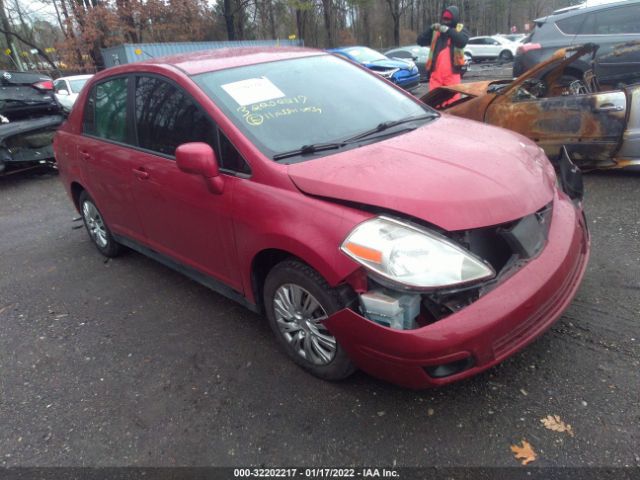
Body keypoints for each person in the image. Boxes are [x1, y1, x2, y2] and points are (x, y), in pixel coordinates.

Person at [417, 6, 469, 90]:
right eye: (445, 19)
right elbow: (420, 41)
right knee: (434, 101)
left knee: (453, 102)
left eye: (448, 19)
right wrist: (430, 29)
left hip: (452, 75)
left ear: (454, 19)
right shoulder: (436, 32)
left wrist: (448, 30)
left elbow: (462, 41)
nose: (446, 21)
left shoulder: (460, 30)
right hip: (435, 76)